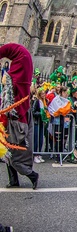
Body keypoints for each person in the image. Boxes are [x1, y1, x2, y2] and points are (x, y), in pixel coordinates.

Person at [0, 43, 39, 189]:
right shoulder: (19, 77)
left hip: (16, 120)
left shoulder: (15, 80)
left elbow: (8, 99)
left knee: (15, 153)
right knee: (7, 152)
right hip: (11, 118)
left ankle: (31, 175)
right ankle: (13, 180)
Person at [32, 88, 50, 163]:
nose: (44, 95)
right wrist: (41, 114)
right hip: (37, 122)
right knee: (36, 139)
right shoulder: (36, 101)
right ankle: (35, 155)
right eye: (42, 94)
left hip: (42, 122)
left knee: (41, 140)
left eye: (44, 93)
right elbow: (33, 112)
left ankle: (39, 154)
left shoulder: (45, 101)